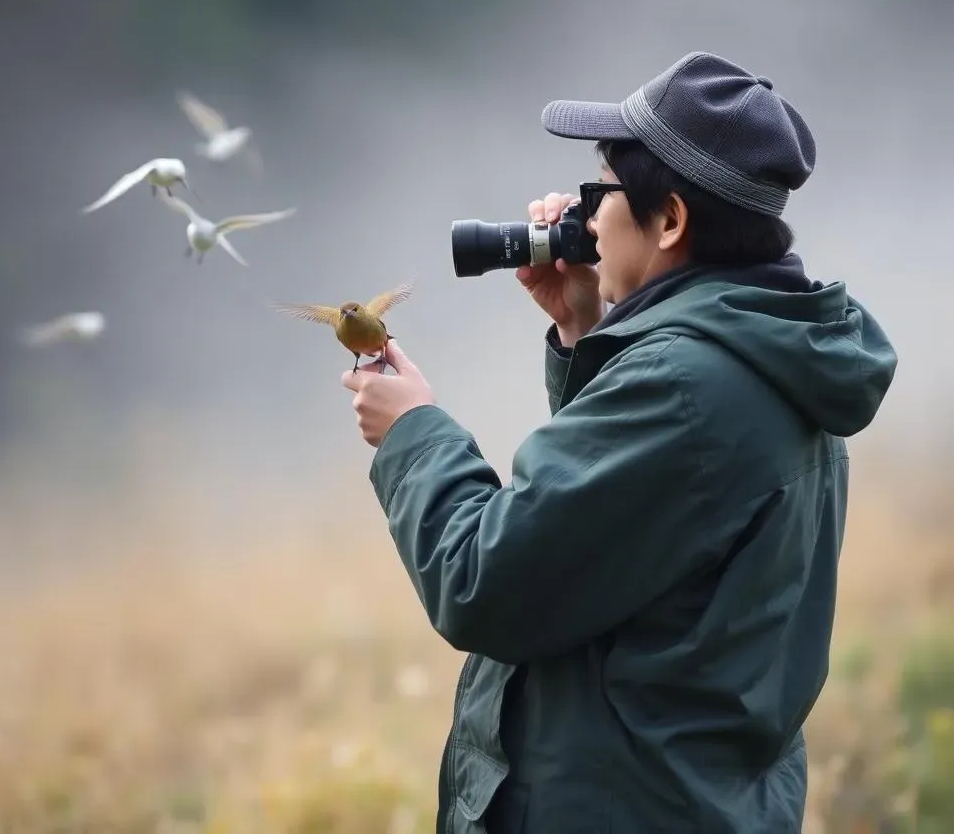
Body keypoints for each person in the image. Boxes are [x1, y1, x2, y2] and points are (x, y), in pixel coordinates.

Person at [341, 50, 898, 833]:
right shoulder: (772, 349)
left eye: (602, 189)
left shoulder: (686, 387)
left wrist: (411, 433)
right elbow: (635, 525)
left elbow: (487, 582)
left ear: (669, 220)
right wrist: (582, 328)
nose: (583, 212)